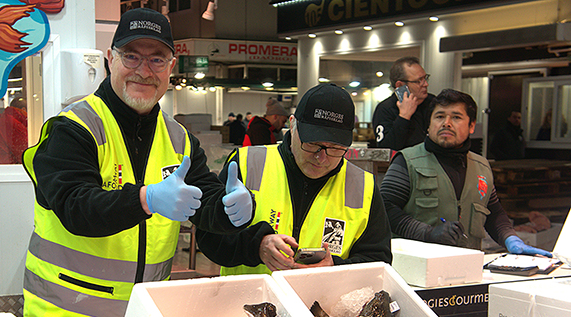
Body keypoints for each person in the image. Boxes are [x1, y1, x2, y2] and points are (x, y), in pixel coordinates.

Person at [20, 8, 254, 317]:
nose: (144, 70)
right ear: (110, 58)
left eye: (156, 58)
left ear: (171, 67)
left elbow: (203, 201)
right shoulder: (73, 128)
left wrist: (231, 209)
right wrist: (146, 199)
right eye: (132, 56)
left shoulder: (179, 139)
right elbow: (76, 207)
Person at [196, 83, 392, 275]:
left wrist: (336, 268)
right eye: (313, 144)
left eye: (334, 148)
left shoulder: (363, 186)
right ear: (292, 124)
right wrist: (257, 246)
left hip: (320, 306)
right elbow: (209, 238)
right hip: (248, 301)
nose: (321, 158)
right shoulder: (249, 164)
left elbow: (378, 262)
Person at [379, 89, 552, 257]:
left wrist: (510, 238)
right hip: (416, 270)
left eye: (456, 117)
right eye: (439, 117)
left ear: (471, 126)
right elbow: (385, 208)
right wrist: (428, 232)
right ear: (429, 124)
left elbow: (493, 211)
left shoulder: (481, 167)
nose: (446, 123)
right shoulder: (407, 161)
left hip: (467, 269)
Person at [373, 56, 435, 151]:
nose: (426, 84)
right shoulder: (385, 109)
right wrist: (404, 117)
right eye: (419, 81)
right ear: (400, 85)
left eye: (425, 78)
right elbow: (385, 149)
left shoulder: (434, 103)